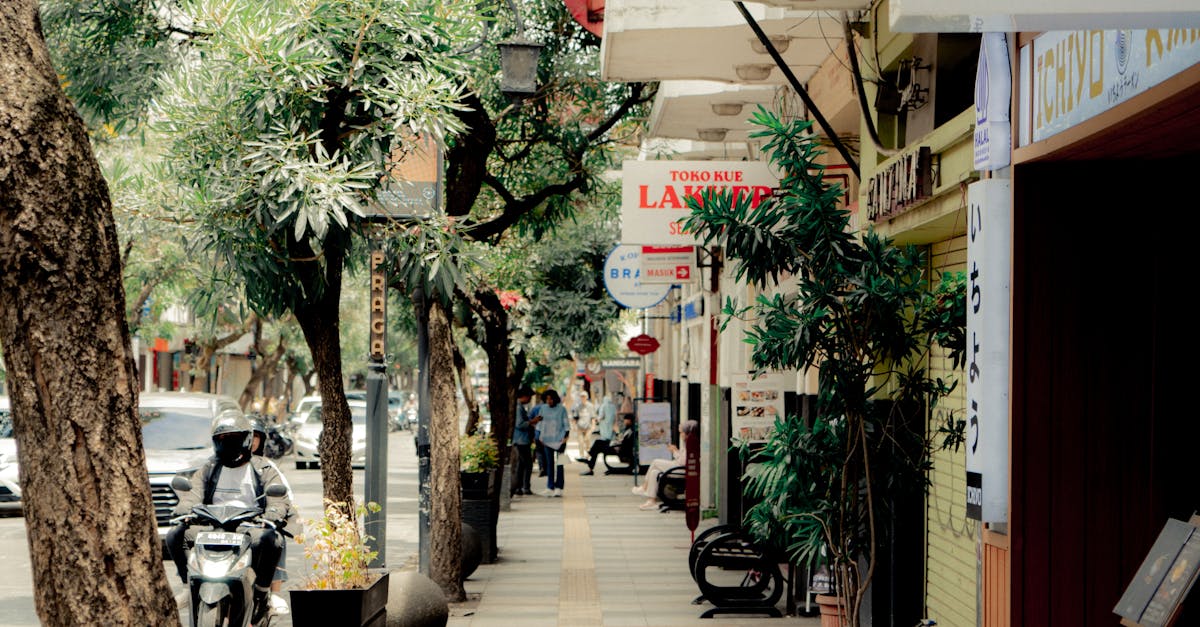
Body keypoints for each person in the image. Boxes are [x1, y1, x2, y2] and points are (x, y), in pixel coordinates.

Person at [167, 413, 294, 624]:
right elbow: (193, 492)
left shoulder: (263, 468)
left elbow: (278, 498)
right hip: (211, 528)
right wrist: (185, 507)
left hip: (249, 528)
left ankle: (263, 593)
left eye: (234, 438)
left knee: (273, 540)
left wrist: (274, 513)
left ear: (246, 438)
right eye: (224, 438)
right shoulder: (209, 467)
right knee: (174, 535)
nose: (229, 443)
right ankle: (186, 586)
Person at [249, 417, 297, 616]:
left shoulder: (267, 467)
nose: (251, 441)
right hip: (227, 522)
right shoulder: (220, 465)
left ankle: (275, 593)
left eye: (256, 437)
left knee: (276, 538)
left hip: (259, 521)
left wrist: (273, 513)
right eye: (247, 436)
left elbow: (284, 496)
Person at [634, 420, 698, 510]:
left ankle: (645, 487)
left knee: (655, 462)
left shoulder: (692, 444)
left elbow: (682, 462)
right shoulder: (687, 443)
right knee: (654, 472)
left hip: (681, 469)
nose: (681, 435)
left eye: (682, 432)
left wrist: (674, 451)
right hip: (679, 467)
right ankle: (651, 501)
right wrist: (676, 451)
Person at [534, 389, 569, 497]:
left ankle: (559, 487)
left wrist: (566, 437)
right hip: (547, 440)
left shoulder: (562, 409)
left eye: (551, 398)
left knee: (560, 464)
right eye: (547, 399)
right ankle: (550, 487)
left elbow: (566, 424)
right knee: (549, 464)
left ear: (555, 399)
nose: (549, 401)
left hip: (560, 439)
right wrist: (539, 436)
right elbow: (539, 423)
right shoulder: (543, 409)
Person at [579, 393, 618, 475]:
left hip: (613, 445)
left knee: (597, 444)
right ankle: (589, 465)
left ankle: (588, 458)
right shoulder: (614, 409)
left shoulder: (604, 406)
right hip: (611, 442)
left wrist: (598, 420)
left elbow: (600, 417)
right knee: (597, 446)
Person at [510, 386, 536, 497]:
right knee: (527, 464)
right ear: (525, 396)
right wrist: (532, 421)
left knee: (521, 465)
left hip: (521, 440)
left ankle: (519, 487)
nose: (530, 399)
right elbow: (519, 424)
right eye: (529, 397)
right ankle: (525, 487)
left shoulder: (519, 407)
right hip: (521, 440)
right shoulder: (518, 407)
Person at [573, 390, 597, 464]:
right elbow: (575, 417)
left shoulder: (590, 406)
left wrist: (593, 426)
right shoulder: (578, 406)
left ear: (586, 397)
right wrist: (574, 426)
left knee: (587, 440)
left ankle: (588, 454)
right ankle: (581, 455)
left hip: (588, 426)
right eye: (581, 396)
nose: (583, 398)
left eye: (584, 396)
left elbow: (593, 417)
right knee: (580, 442)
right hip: (580, 426)